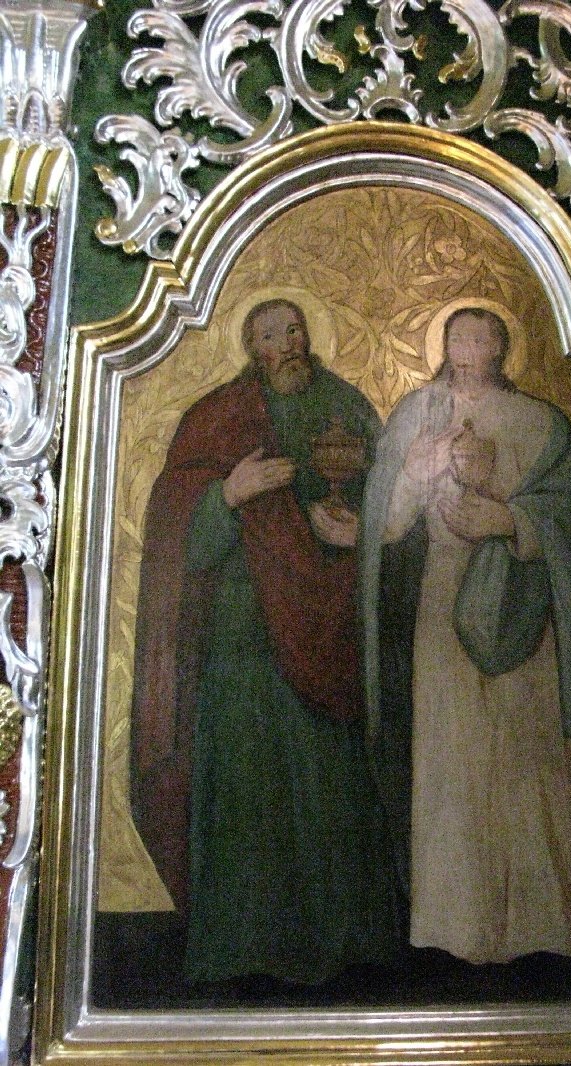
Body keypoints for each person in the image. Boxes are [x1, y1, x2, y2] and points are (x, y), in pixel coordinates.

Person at [131, 298, 399, 985]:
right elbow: (173, 526)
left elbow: (398, 500)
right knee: (248, 788)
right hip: (242, 636)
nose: (289, 344)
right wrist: (229, 493)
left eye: (295, 330)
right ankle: (244, 947)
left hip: (331, 628)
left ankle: (352, 944)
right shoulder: (218, 416)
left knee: (330, 786)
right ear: (252, 348)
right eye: (272, 335)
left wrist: (362, 531)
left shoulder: (348, 409)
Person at [360, 307, 571, 966]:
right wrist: (415, 474)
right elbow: (385, 527)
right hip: (441, 606)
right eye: (458, 336)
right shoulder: (414, 416)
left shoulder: (542, 423)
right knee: (452, 764)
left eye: (482, 337)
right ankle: (454, 929)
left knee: (531, 764)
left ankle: (548, 929)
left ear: (503, 347)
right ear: (443, 345)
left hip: (528, 609)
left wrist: (508, 518)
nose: (469, 348)